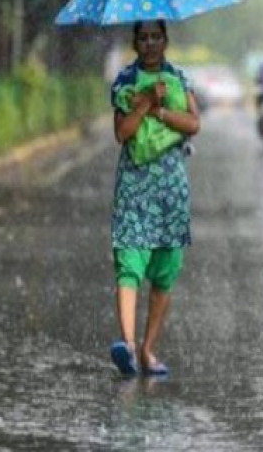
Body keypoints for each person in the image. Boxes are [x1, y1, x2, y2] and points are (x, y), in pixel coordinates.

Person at [108, 19, 201, 377]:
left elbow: (193, 124)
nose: (150, 43)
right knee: (129, 261)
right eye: (144, 38)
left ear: (165, 40)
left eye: (156, 37)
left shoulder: (178, 78)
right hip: (134, 187)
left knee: (165, 271)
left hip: (171, 190)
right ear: (135, 42)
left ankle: (148, 350)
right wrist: (144, 102)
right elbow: (122, 132)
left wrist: (161, 110)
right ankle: (128, 346)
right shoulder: (125, 81)